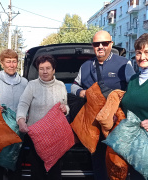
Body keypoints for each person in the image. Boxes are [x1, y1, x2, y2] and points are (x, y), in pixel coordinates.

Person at [71, 30, 135, 180]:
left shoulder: (123, 64)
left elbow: (132, 89)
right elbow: (74, 87)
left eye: (104, 43)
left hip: (116, 125)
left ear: (111, 44)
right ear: (93, 46)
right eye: (96, 44)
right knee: (98, 163)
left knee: (117, 163)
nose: (100, 46)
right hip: (93, 125)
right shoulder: (85, 66)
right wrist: (85, 93)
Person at [17, 55, 69, 180]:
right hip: (36, 137)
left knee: (55, 172)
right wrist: (21, 120)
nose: (45, 71)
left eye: (48, 68)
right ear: (38, 70)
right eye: (41, 68)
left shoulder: (61, 85)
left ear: (53, 70)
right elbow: (23, 104)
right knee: (37, 171)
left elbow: (66, 105)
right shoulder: (32, 85)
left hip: (55, 136)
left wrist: (65, 109)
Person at [0, 49, 28, 180]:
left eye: (14, 62)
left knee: (15, 168)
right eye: (8, 62)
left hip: (18, 132)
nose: (11, 65)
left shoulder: (25, 83)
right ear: (2, 63)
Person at [120, 33, 148, 180]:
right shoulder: (133, 80)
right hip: (134, 146)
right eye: (138, 53)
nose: (142, 57)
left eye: (147, 52)